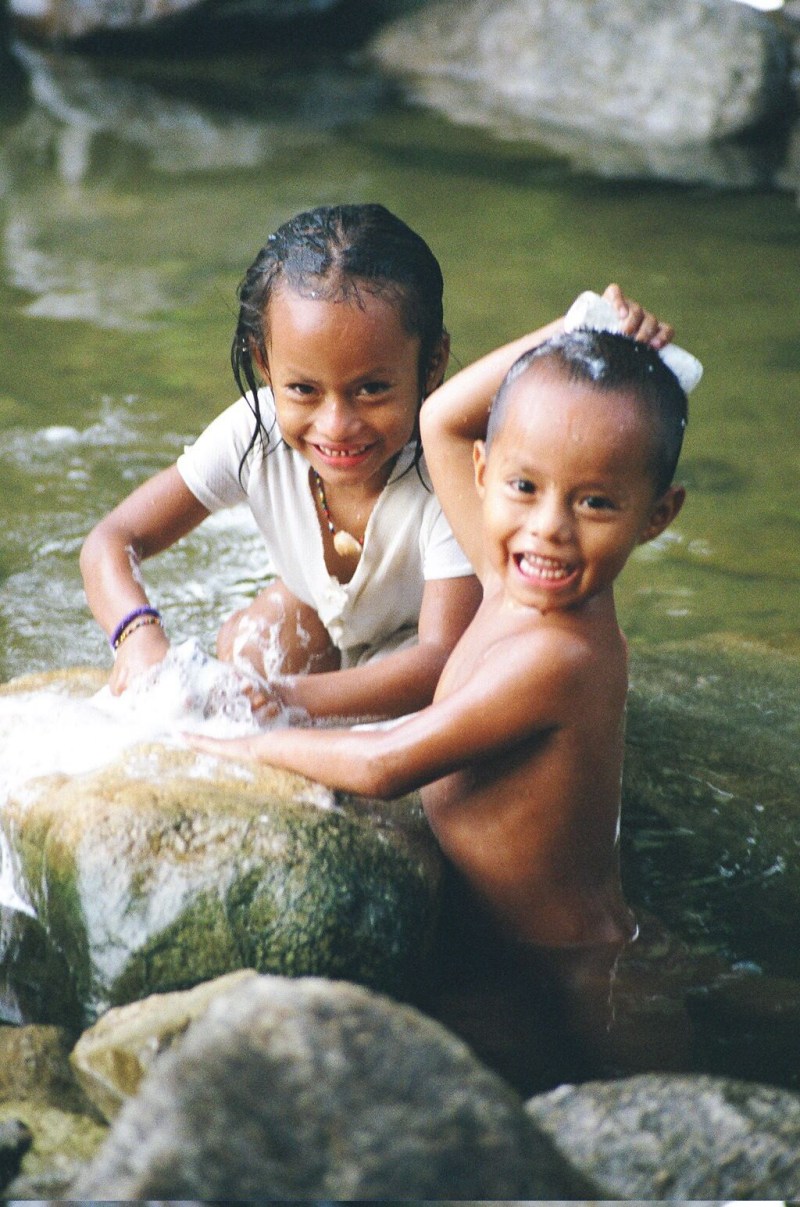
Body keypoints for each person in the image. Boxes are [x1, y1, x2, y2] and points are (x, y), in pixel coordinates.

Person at [186, 325, 691, 1087]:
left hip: (581, 969)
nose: (549, 526)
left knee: (663, 1133)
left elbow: (385, 761)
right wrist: (577, 325)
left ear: (655, 516)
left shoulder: (561, 651)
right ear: (483, 472)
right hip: (497, 939)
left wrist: (231, 742)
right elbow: (442, 419)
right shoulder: (512, 574)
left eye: (595, 502)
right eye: (525, 486)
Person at [80, 202, 660, 723]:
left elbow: (437, 661)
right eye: (304, 389)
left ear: (431, 366)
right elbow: (114, 538)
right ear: (264, 363)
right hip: (324, 618)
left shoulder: (455, 479)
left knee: (370, 722)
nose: (336, 425)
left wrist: (285, 700)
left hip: (424, 652)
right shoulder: (253, 432)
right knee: (251, 647)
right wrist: (137, 637)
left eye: (372, 390)